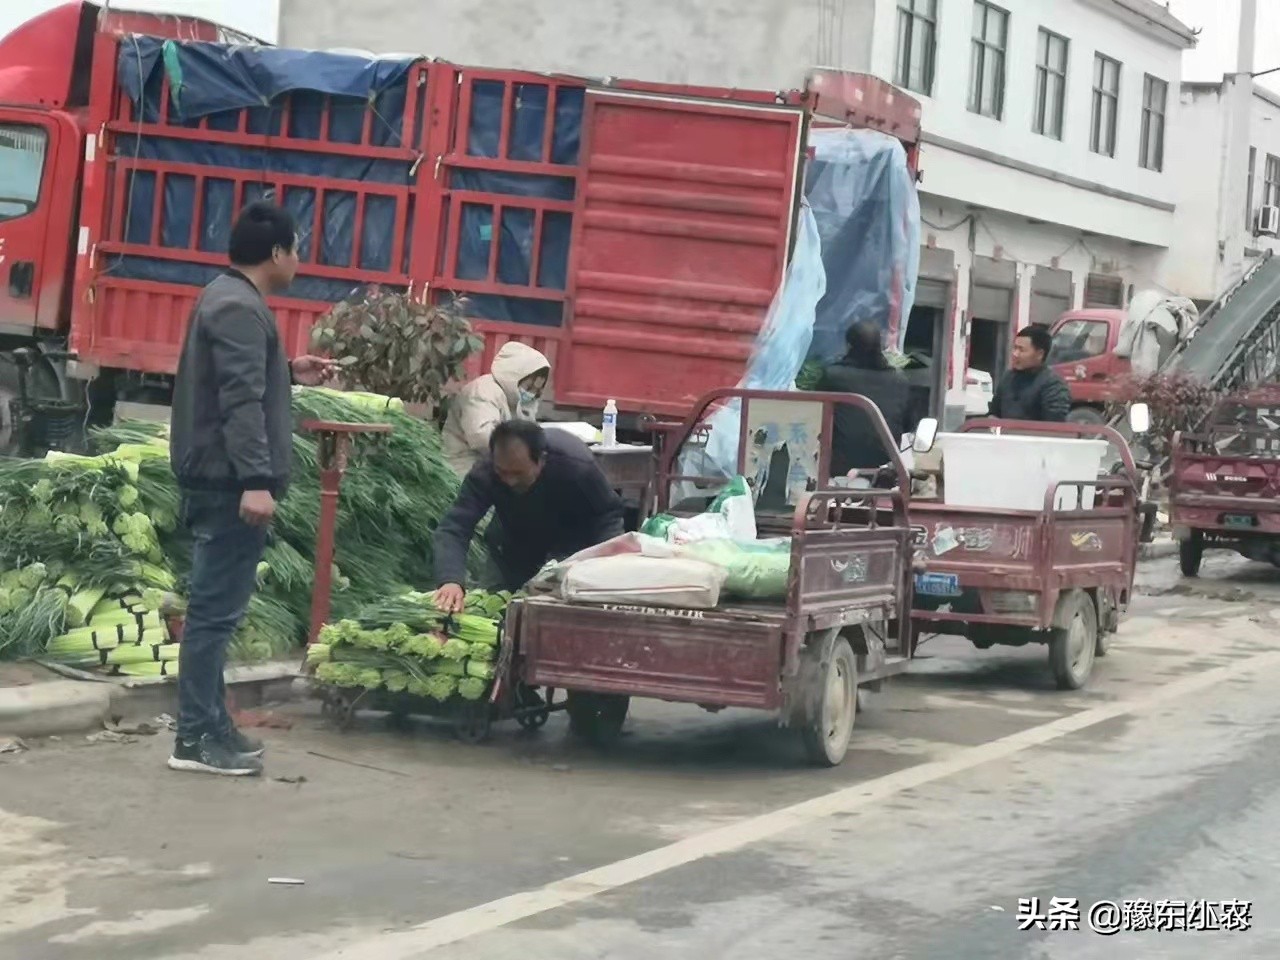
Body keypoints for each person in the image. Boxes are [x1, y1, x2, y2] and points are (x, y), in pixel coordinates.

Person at [168, 202, 334, 777]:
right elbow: (239, 402)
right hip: (227, 484)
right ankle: (193, 738)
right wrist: (256, 482)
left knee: (216, 613)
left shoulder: (226, 296)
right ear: (277, 253)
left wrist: (287, 371)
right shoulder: (239, 306)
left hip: (219, 478)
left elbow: (234, 381)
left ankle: (212, 725)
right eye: (296, 248)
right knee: (213, 616)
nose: (299, 259)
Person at [432, 419, 624, 611]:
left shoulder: (576, 466)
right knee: (492, 610)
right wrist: (450, 579)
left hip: (569, 554)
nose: (509, 481)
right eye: (502, 472)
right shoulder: (485, 472)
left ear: (541, 460)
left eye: (518, 473)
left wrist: (606, 569)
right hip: (510, 548)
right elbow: (455, 526)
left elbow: (608, 515)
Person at [442, 342, 551, 478]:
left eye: (536, 390)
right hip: (464, 466)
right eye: (528, 387)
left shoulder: (515, 399)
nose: (531, 394)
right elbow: (482, 437)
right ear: (514, 377)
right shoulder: (482, 392)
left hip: (491, 464)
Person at [816, 320, 911, 476]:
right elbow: (906, 423)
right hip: (885, 467)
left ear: (849, 346)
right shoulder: (899, 380)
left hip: (837, 466)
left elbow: (815, 415)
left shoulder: (833, 376)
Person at [989, 325, 1072, 422]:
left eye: (1021, 350)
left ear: (1040, 354)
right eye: (1015, 348)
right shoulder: (1008, 377)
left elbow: (1053, 424)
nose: (1015, 354)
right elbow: (994, 413)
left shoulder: (1054, 385)